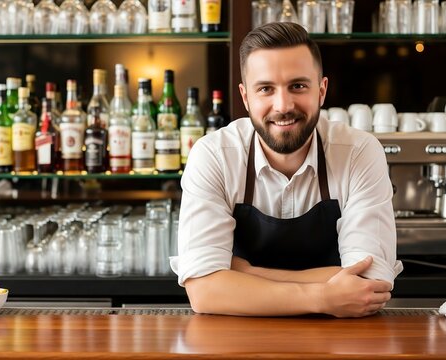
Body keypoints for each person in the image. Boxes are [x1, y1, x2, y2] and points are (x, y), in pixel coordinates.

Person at [169, 22, 403, 317]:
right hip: (236, 342)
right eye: (266, 88)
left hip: (341, 341)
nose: (283, 105)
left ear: (321, 90)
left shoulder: (359, 152)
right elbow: (204, 293)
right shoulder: (214, 156)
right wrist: (323, 297)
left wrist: (243, 273)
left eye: (298, 86)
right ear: (245, 97)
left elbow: (370, 285)